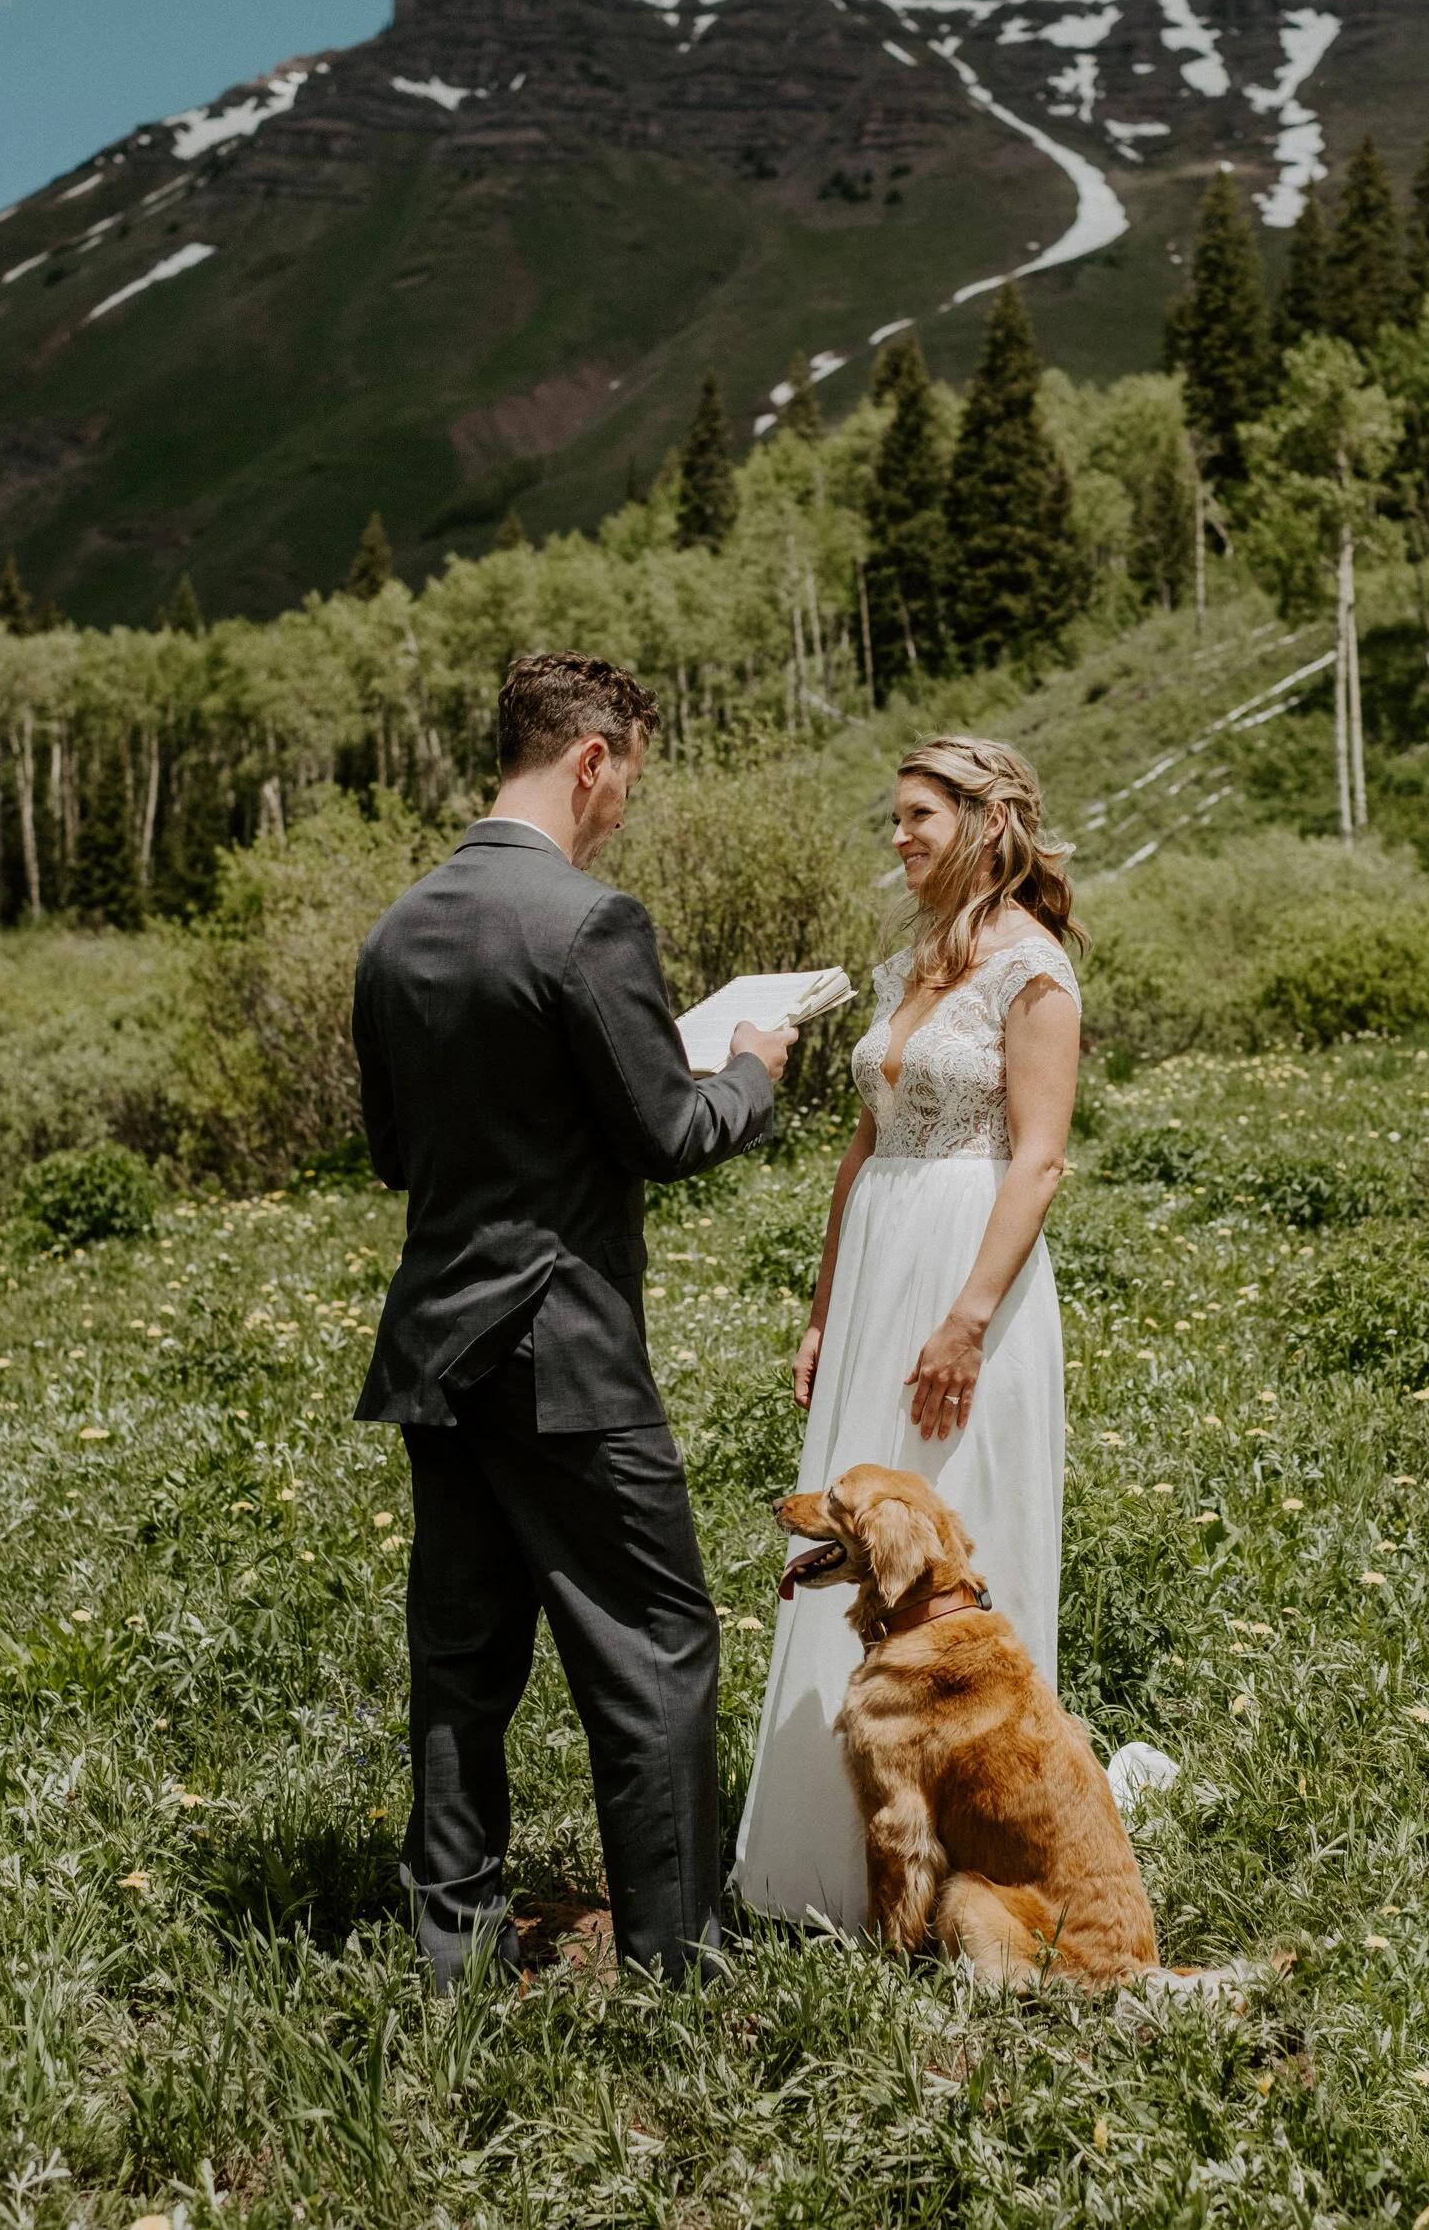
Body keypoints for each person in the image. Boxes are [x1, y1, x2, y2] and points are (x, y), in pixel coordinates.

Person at [353, 651, 795, 1991]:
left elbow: (394, 1153)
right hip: (563, 1346)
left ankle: (454, 1954)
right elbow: (667, 1134)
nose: (620, 812)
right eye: (625, 784)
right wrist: (751, 1070)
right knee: (656, 1644)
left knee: (462, 1658)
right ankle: (673, 1966)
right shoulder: (590, 923)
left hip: (439, 1347)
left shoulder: (396, 930)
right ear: (590, 759)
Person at [733, 734, 1082, 1931]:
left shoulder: (1031, 970)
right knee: (856, 1524)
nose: (897, 836)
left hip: (966, 1268)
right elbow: (863, 1147)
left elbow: (1038, 1160)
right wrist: (823, 1308)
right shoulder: (907, 964)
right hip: (879, 1266)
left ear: (988, 823)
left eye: (919, 816)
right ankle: (834, 1853)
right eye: (893, 816)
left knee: (947, 1523)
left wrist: (966, 1319)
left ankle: (980, 1848)